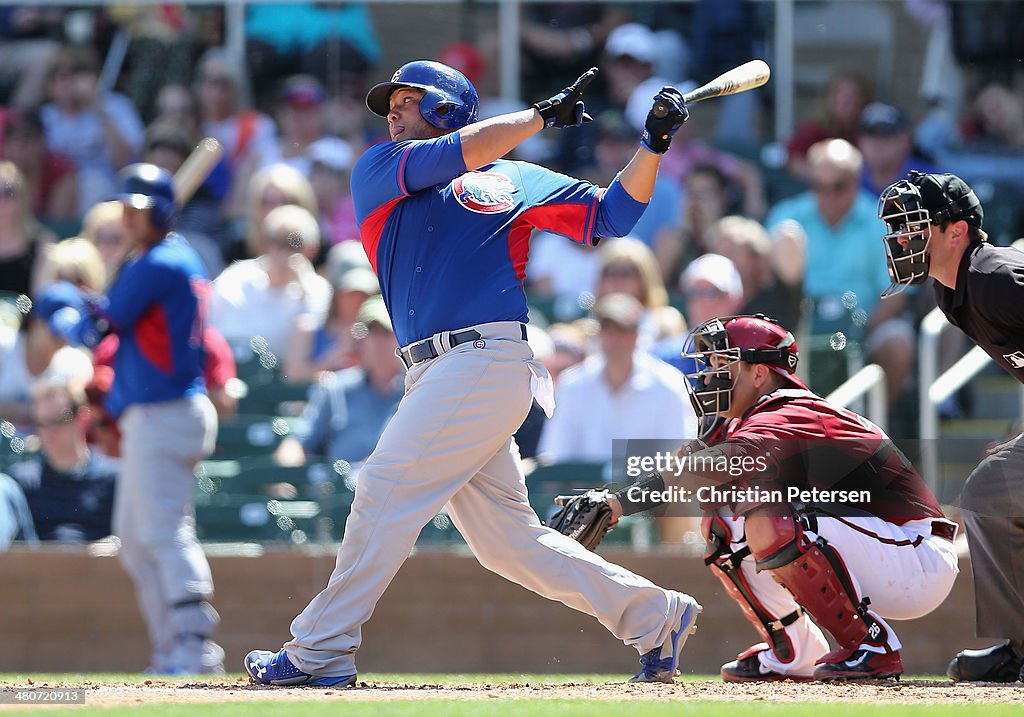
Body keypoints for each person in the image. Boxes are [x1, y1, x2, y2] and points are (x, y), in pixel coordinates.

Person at [244, 59, 701, 686]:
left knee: (383, 486)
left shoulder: (513, 177)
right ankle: (655, 615)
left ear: (449, 107)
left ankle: (319, 650)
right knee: (506, 543)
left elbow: (612, 216)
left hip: (485, 360)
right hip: (435, 371)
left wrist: (652, 145)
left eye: (409, 100)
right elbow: (455, 154)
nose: (394, 110)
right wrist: (540, 116)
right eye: (392, 102)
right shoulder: (380, 167)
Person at [595, 314, 959, 681]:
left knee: (770, 519)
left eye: (724, 364)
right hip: (879, 550)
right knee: (723, 523)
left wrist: (618, 504)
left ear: (759, 373)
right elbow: (692, 475)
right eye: (711, 365)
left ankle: (871, 645)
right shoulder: (747, 419)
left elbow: (710, 468)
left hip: (918, 552)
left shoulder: (791, 409)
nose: (709, 377)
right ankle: (796, 651)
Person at [37, 163, 222, 674]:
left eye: (137, 209)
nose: (127, 217)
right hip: (161, 410)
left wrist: (64, 307)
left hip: (166, 410)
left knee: (162, 533)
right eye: (125, 208)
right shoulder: (163, 258)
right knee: (136, 540)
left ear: (159, 213)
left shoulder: (160, 262)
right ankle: (171, 652)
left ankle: (196, 650)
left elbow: (94, 332)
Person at [876, 171, 1024, 682]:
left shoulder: (995, 279)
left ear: (956, 232)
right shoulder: (952, 292)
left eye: (912, 227)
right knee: (990, 490)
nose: (899, 239)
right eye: (897, 229)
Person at [537, 292, 695, 464]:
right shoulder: (573, 385)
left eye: (622, 330)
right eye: (607, 329)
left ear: (637, 334)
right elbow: (555, 455)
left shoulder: (669, 385)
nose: (614, 340)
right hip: (581, 489)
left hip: (651, 490)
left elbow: (678, 461)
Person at [275, 295, 403, 467]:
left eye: (386, 333)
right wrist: (285, 475)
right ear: (360, 340)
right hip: (335, 488)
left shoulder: (417, 390)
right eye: (372, 332)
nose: (378, 342)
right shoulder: (335, 387)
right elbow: (299, 442)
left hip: (394, 488)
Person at [5, 376, 118, 543]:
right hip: (35, 566)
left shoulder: (114, 478)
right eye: (42, 422)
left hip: (97, 566)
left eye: (59, 420)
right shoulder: (22, 482)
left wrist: (117, 545)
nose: (50, 431)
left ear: (83, 418)